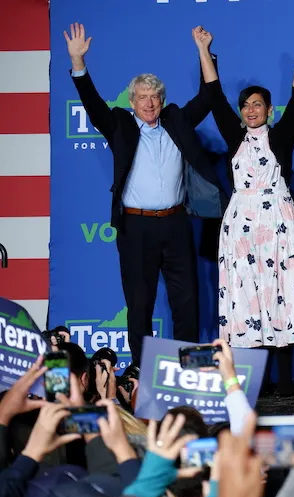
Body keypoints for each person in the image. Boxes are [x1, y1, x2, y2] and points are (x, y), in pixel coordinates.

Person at [64, 24, 226, 370]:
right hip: (136, 227)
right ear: (132, 101)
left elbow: (210, 96)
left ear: (162, 100)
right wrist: (78, 62)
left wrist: (203, 51)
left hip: (176, 224)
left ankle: (190, 370)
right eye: (142, 97)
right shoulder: (119, 125)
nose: (149, 103)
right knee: (139, 303)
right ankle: (140, 372)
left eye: (155, 97)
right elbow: (92, 104)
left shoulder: (177, 120)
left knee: (187, 301)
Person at [194, 28, 294, 396]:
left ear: (269, 110)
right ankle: (255, 385)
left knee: (280, 297)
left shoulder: (281, 136)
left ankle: (284, 386)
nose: (251, 110)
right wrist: (204, 49)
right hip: (241, 227)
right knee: (247, 300)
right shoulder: (235, 138)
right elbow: (214, 95)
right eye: (246, 105)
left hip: (279, 224)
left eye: (258, 105)